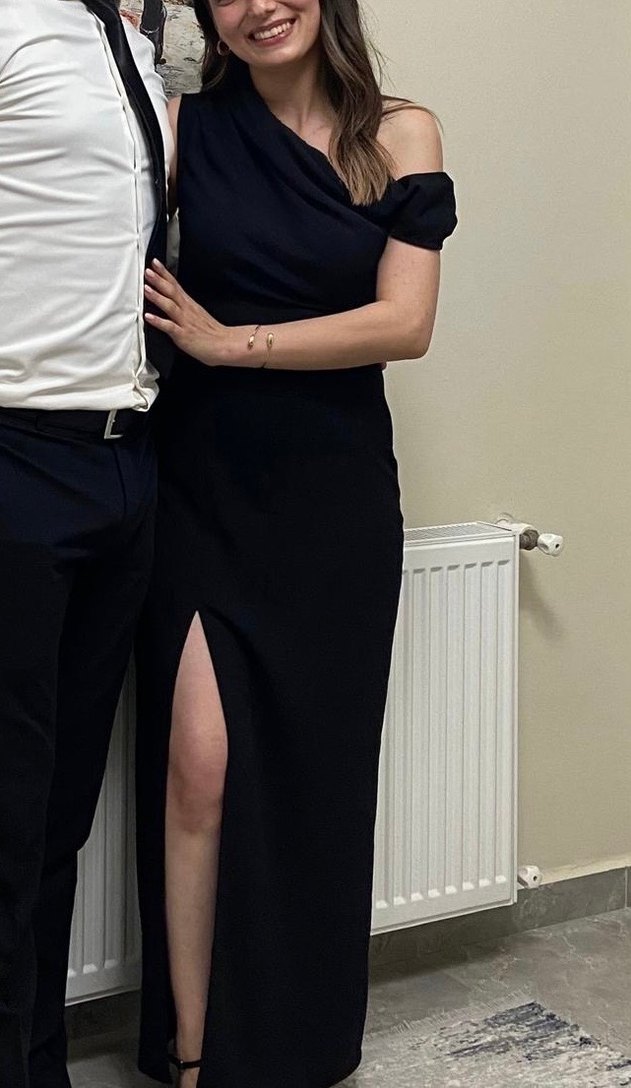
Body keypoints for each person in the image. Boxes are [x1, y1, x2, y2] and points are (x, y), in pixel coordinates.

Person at [135, 0, 457, 1085]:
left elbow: (404, 324)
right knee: (196, 768)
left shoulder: (401, 132)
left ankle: (301, 1044)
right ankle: (193, 1053)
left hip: (333, 502)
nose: (258, 5)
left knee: (317, 779)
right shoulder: (185, 125)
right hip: (200, 485)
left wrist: (232, 344)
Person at [0, 2, 172, 1085]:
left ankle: (39, 1060)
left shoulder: (137, 45)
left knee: (60, 809)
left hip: (125, 459)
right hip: (17, 450)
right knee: (6, 814)